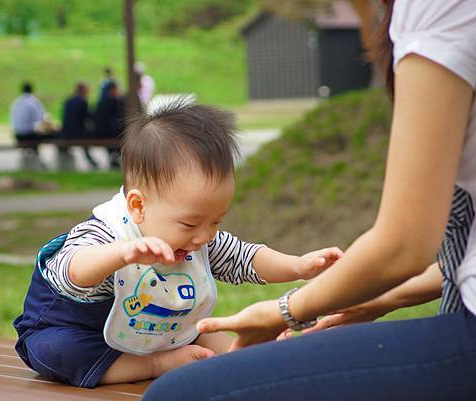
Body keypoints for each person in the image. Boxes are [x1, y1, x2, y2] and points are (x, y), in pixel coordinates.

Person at [142, 1, 476, 400]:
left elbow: (404, 245)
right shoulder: (116, 236)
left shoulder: (438, 9)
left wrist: (285, 308)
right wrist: (369, 301)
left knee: (180, 395)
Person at [13, 99, 343, 389]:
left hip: (156, 328)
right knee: (56, 350)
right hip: (75, 332)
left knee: (203, 331)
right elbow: (72, 270)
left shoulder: (197, 239)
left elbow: (246, 258)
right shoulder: (107, 233)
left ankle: (252, 356)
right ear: (138, 206)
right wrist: (120, 255)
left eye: (217, 221)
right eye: (190, 224)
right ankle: (155, 364)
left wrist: (297, 266)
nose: (205, 236)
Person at [61, 81, 98, 169]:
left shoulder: (68, 101)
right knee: (92, 135)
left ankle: (89, 159)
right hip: (77, 133)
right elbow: (88, 118)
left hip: (66, 133)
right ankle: (91, 160)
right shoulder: (82, 102)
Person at [10, 82, 53, 153]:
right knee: (52, 135)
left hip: (17, 135)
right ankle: (36, 156)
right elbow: (43, 118)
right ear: (32, 90)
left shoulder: (16, 102)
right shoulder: (33, 101)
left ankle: (28, 154)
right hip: (29, 135)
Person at [95, 81, 124, 168]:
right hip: (110, 133)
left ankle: (114, 156)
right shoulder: (114, 101)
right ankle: (115, 156)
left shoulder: (101, 101)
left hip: (101, 131)